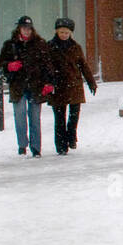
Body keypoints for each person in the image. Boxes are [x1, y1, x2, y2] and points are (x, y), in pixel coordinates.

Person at [0, 15, 52, 157]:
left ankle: (36, 147)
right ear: (19, 29)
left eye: (28, 28)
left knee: (35, 117)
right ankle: (22, 145)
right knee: (20, 116)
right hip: (18, 85)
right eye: (24, 28)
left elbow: (47, 65)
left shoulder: (40, 44)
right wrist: (9, 66)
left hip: (35, 85)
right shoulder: (10, 45)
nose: (26, 31)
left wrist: (48, 82)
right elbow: (1, 62)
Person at [46, 17, 97, 156]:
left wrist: (91, 82)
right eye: (61, 32)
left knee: (74, 115)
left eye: (66, 33)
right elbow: (45, 66)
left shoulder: (76, 47)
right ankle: (61, 145)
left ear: (70, 33)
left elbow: (83, 66)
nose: (64, 35)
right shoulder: (50, 47)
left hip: (74, 84)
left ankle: (71, 136)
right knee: (59, 118)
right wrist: (48, 82)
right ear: (56, 32)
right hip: (58, 86)